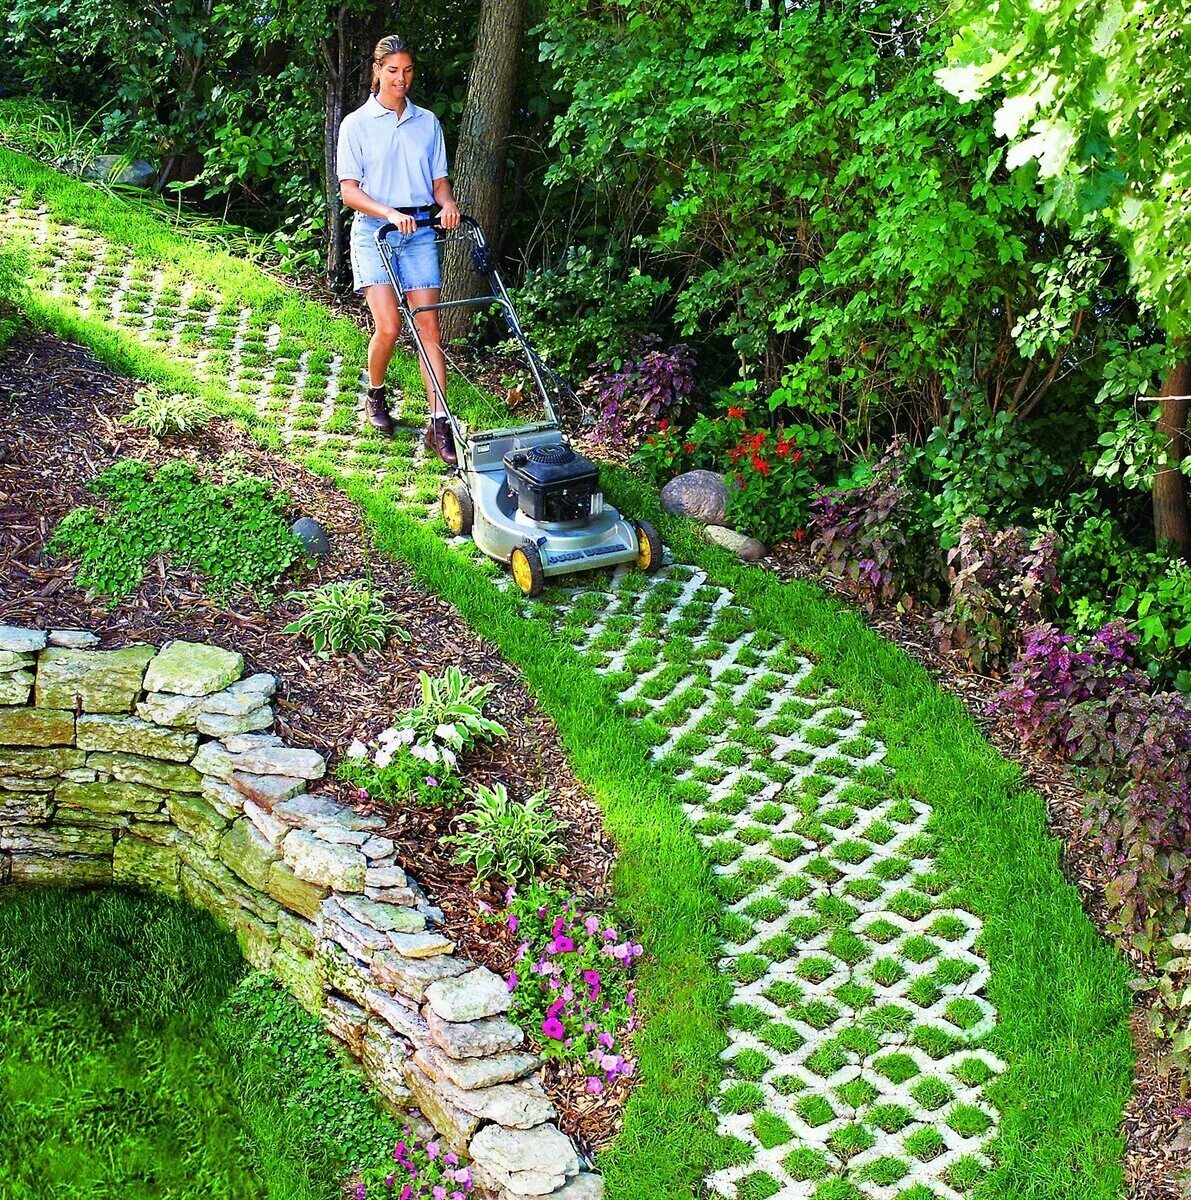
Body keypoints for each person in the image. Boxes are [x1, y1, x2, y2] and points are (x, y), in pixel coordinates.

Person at [336, 34, 461, 463]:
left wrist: (446, 205)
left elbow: (439, 184)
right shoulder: (356, 124)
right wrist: (388, 212)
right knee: (389, 326)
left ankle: (439, 425)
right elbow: (349, 191)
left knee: (429, 329)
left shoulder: (428, 123)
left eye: (407, 71)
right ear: (377, 72)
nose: (401, 79)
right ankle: (375, 394)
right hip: (375, 232)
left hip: (421, 232)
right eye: (392, 71)